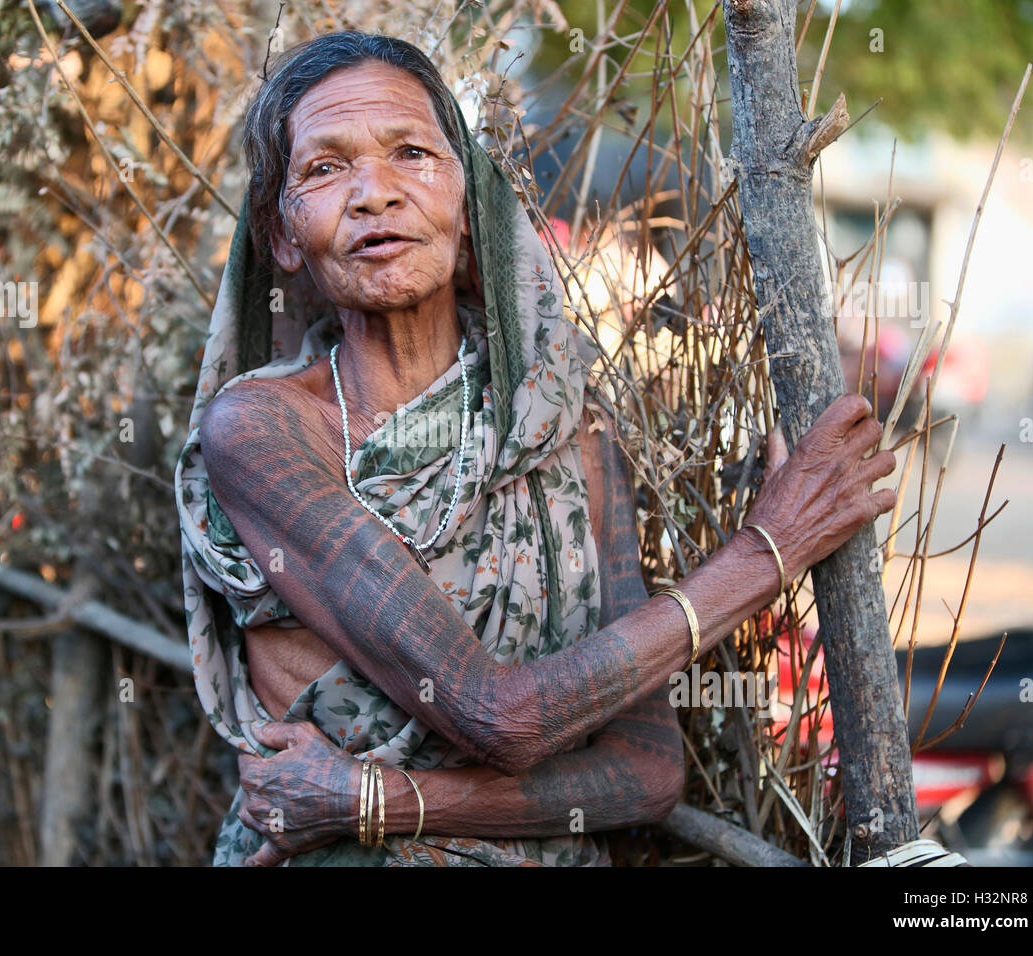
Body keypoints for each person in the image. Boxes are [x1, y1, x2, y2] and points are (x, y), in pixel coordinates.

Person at [173, 31, 896, 866]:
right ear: (283, 233)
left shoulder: (565, 431)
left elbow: (646, 771)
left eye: (412, 152)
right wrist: (769, 552)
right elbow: (498, 716)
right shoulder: (261, 432)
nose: (375, 193)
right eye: (325, 169)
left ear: (469, 196)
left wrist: (365, 800)